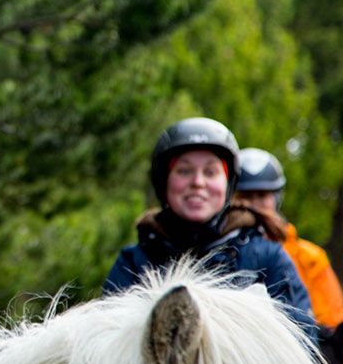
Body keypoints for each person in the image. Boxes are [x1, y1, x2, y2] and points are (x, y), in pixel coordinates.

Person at [103, 117, 316, 341]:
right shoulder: (134, 262)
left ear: (228, 184)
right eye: (184, 171)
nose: (198, 182)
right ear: (163, 181)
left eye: (211, 172)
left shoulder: (267, 258)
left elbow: (303, 342)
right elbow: (106, 344)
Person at [234, 147, 343, 330]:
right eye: (245, 195)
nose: (254, 204)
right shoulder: (220, 251)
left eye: (262, 195)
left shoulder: (310, 257)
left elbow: (332, 322)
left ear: (277, 198)